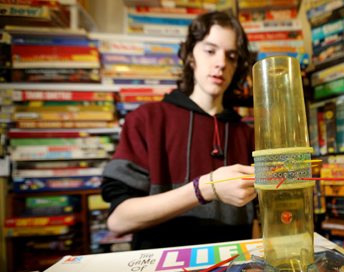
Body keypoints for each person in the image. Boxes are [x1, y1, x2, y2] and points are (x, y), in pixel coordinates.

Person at [101, 11, 257, 250]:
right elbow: (119, 220)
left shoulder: (246, 134)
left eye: (232, 56)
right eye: (210, 50)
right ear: (190, 55)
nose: (221, 63)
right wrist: (206, 187)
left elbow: (255, 220)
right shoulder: (147, 119)